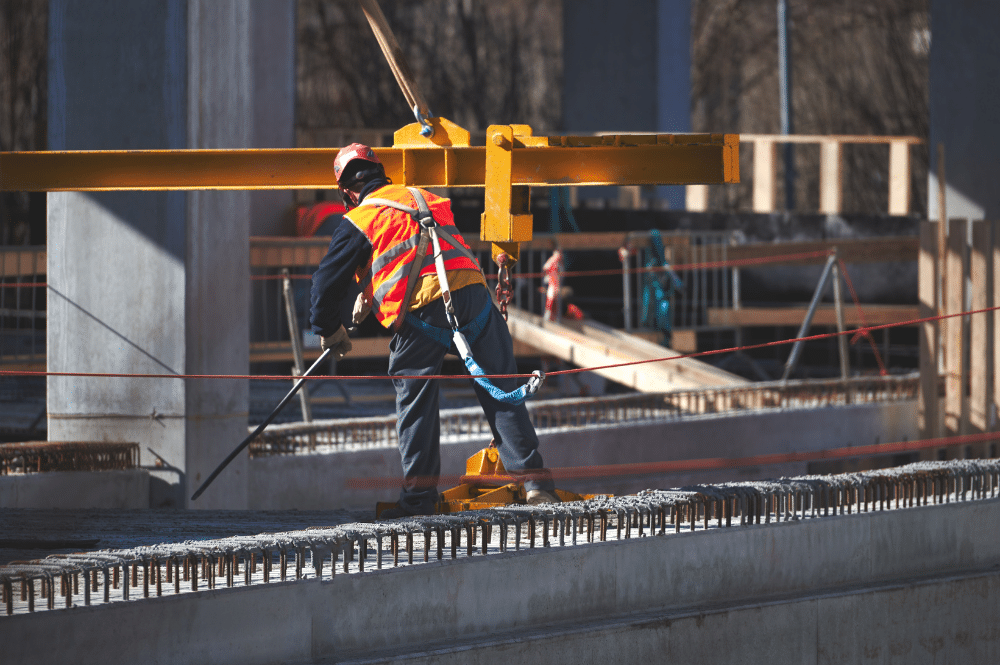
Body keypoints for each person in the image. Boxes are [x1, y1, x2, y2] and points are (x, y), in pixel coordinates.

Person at [310, 143, 559, 518]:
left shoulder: (360, 218)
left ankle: (418, 500)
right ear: (380, 174)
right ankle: (537, 485)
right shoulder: (424, 197)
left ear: (346, 191)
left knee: (416, 402)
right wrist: (369, 286)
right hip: (473, 296)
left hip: (423, 310)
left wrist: (329, 329)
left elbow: (325, 284)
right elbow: (420, 247)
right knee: (502, 388)